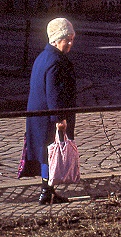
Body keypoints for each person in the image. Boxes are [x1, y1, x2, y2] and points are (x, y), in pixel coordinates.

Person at [18, 17, 77, 205]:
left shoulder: (43, 57)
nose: (69, 43)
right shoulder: (56, 61)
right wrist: (60, 119)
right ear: (55, 39)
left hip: (39, 115)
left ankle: (48, 190)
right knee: (51, 153)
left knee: (47, 154)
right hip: (49, 117)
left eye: (72, 39)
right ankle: (46, 192)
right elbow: (54, 93)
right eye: (66, 39)